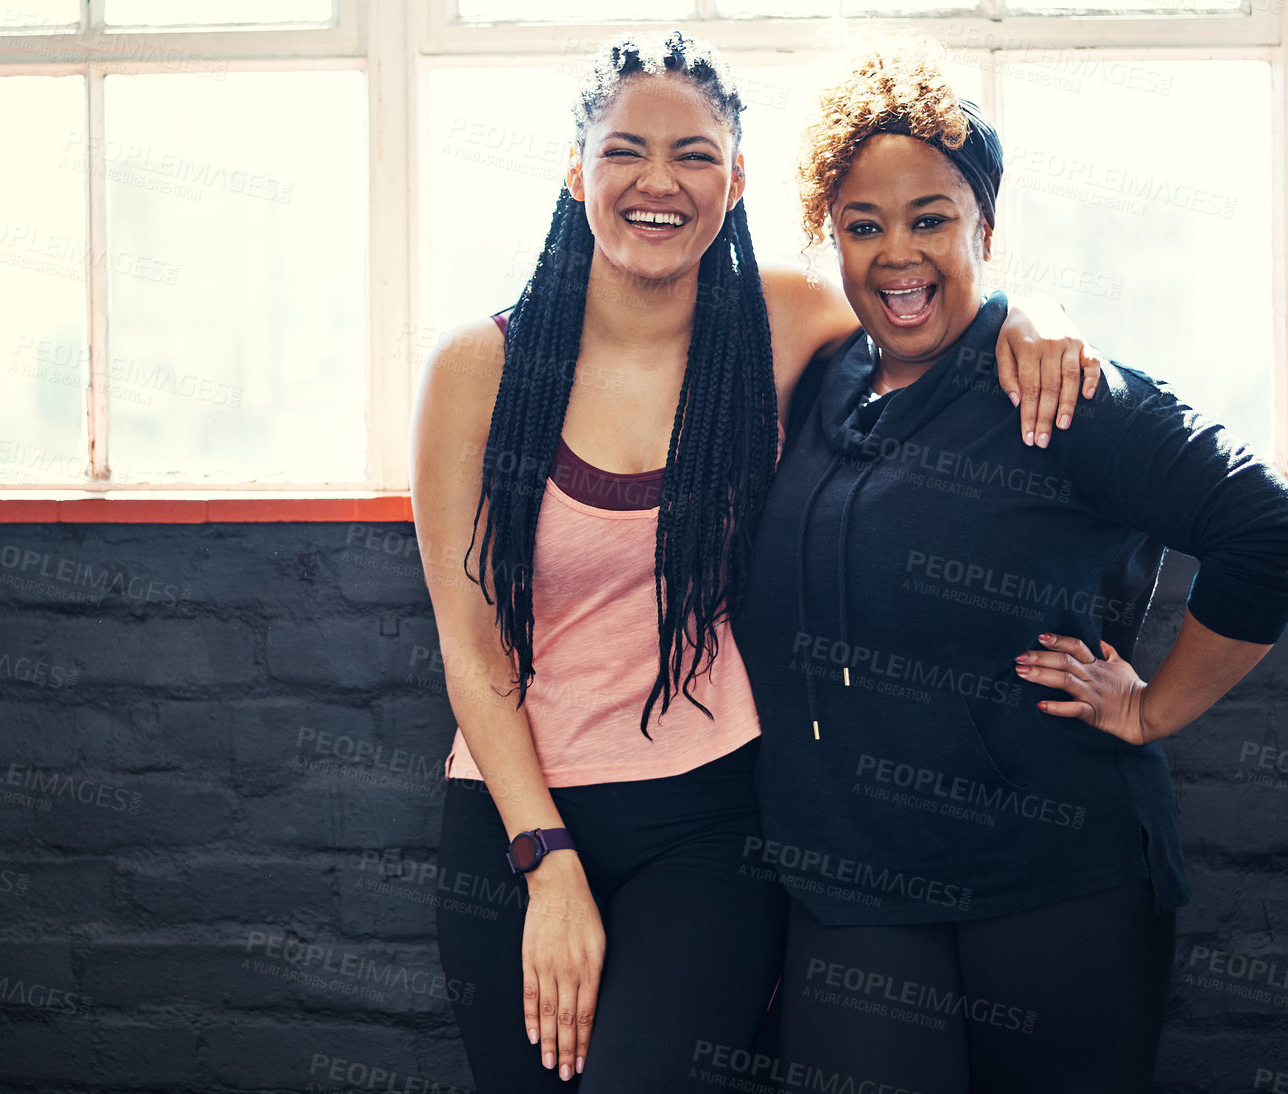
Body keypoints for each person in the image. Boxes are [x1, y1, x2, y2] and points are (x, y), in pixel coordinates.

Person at [409, 31, 1102, 1093]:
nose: (657, 181)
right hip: (515, 812)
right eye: (623, 150)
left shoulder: (778, 318)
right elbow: (471, 641)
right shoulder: (478, 366)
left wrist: (1042, 315)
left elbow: (934, 296)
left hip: (710, 815)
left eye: (693, 154)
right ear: (573, 168)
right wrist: (545, 865)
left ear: (733, 180)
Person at [731, 41, 1288, 1093]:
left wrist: (1151, 709)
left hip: (1050, 881)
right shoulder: (826, 377)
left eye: (929, 219)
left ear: (984, 229)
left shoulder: (1061, 391)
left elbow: (1271, 528)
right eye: (862, 226)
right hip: (852, 883)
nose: (895, 255)